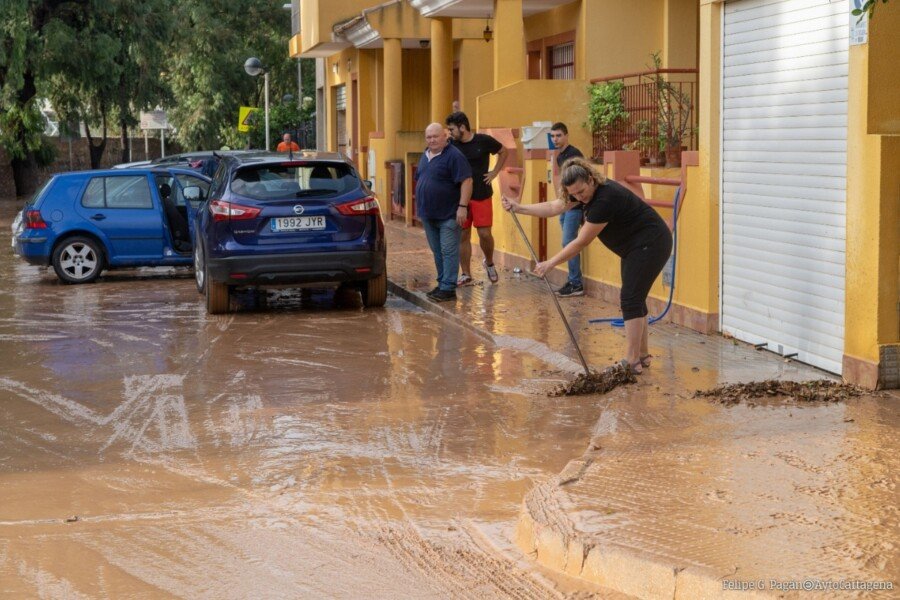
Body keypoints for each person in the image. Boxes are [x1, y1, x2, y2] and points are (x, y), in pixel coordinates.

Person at [501, 157, 672, 374]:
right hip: (635, 247)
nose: (579, 197)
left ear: (591, 180)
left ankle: (631, 361)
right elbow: (555, 206)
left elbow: (581, 241)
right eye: (574, 194)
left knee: (630, 298)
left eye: (581, 192)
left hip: (651, 243)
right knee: (635, 297)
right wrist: (520, 207)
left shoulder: (605, 199)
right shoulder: (583, 194)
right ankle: (642, 356)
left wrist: (551, 263)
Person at [445, 111, 508, 285]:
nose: (450, 133)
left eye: (452, 129)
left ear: (462, 127)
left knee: (485, 233)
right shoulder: (451, 145)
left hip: (482, 195)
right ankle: (465, 273)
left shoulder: (483, 140)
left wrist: (494, 173)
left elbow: (504, 151)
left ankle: (489, 263)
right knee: (463, 234)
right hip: (460, 199)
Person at [414, 123, 473, 302]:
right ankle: (442, 284)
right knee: (437, 250)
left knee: (448, 250)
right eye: (429, 137)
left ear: (445, 136)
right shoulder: (425, 155)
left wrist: (462, 207)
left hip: (449, 214)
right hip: (428, 214)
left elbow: (467, 181)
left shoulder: (454, 156)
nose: (432, 140)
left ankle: (448, 288)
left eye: (435, 136)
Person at [549, 122, 585, 297]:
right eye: (553, 136)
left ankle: (576, 283)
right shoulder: (559, 156)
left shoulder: (574, 154)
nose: (555, 139)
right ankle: (573, 280)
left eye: (558, 135)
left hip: (575, 206)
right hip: (565, 205)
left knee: (569, 243)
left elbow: (583, 178)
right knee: (568, 243)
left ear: (566, 135)